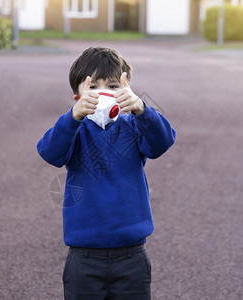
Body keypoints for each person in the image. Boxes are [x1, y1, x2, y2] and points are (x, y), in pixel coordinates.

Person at [37, 47, 176, 299]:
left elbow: (163, 141)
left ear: (126, 91)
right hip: (83, 256)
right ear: (76, 95)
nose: (103, 93)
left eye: (113, 86)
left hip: (132, 255)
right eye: (92, 87)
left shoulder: (135, 126)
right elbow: (50, 152)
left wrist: (142, 109)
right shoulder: (74, 130)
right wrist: (72, 118)